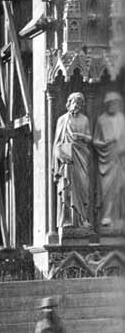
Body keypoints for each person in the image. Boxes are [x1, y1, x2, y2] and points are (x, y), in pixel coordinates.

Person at [53, 91, 93, 232]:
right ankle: (68, 220)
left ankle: (83, 219)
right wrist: (61, 156)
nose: (77, 105)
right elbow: (57, 143)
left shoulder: (84, 120)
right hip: (68, 159)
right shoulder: (62, 120)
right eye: (74, 102)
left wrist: (80, 136)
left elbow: (89, 138)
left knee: (83, 187)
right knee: (67, 187)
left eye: (79, 103)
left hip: (81, 156)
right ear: (69, 104)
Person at [94, 91, 125, 234]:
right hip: (105, 160)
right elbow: (95, 141)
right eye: (110, 103)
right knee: (106, 190)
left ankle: (118, 217)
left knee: (119, 189)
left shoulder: (122, 119)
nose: (113, 105)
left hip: (120, 158)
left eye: (115, 103)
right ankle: (106, 216)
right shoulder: (101, 119)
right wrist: (105, 143)